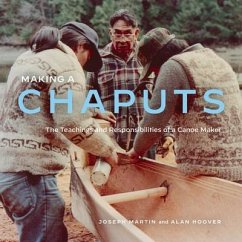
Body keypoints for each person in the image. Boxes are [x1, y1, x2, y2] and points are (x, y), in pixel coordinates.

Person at [0, 23, 118, 242]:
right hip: (32, 175)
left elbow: (38, 101)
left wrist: (92, 110)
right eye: (87, 58)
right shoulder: (67, 65)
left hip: (7, 171)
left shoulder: (28, 57)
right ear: (82, 47)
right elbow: (72, 124)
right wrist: (108, 149)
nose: (83, 66)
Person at [128, 27, 242, 181]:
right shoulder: (216, 59)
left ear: (159, 59)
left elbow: (153, 121)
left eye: (153, 69)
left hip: (208, 173)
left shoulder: (172, 67)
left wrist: (136, 150)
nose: (155, 73)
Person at [87, 9, 173, 157]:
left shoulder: (151, 58)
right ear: (110, 33)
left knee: (148, 180)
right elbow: (86, 101)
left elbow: (162, 100)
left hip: (144, 141)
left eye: (127, 33)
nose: (122, 39)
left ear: (136, 33)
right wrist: (97, 113)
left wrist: (168, 133)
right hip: (109, 142)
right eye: (118, 33)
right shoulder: (97, 61)